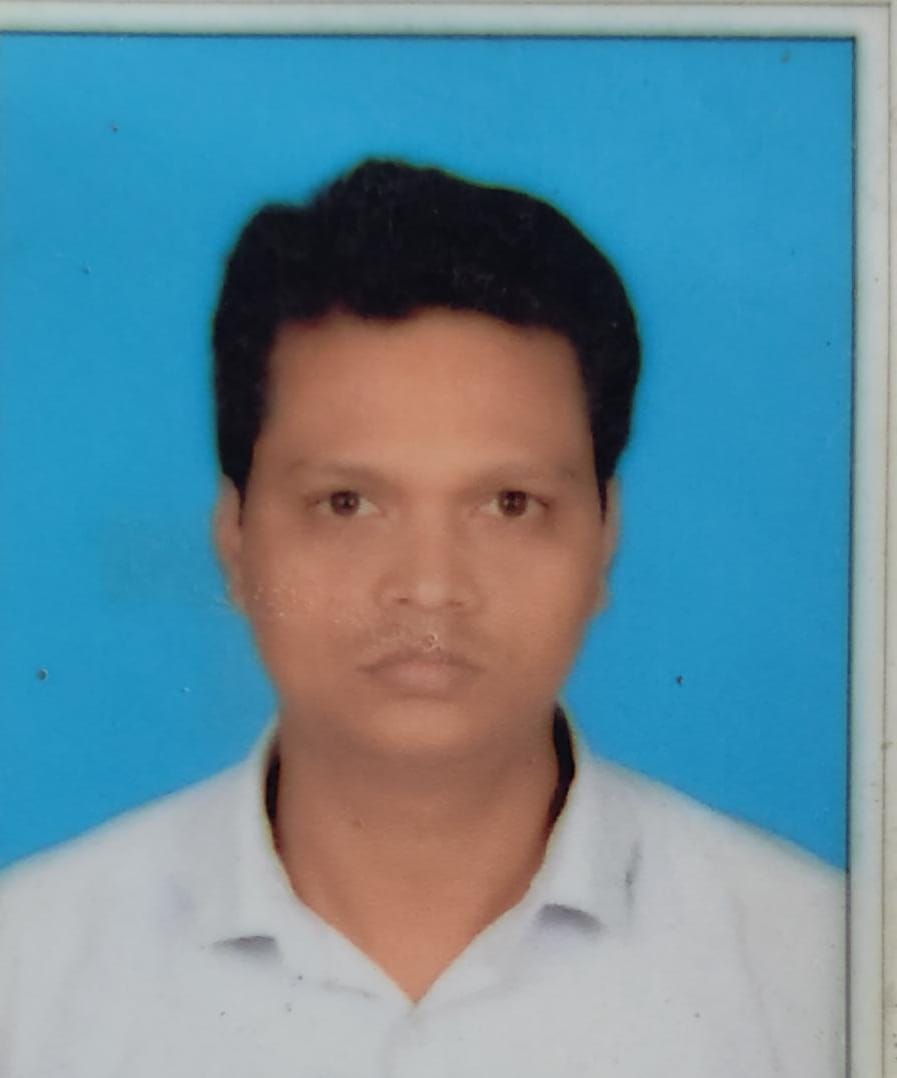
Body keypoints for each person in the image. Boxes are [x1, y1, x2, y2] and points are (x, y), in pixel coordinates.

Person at [0, 159, 843, 1077]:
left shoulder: (824, 967)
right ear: (235, 539)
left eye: (509, 504)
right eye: (347, 504)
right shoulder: (28, 971)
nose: (430, 586)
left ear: (605, 536)